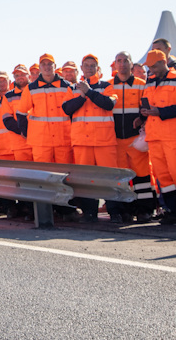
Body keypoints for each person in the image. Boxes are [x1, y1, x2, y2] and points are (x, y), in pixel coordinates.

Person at [62, 54, 118, 222]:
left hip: (104, 140)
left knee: (109, 177)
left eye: (92, 65)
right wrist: (82, 96)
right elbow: (67, 108)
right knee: (86, 179)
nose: (89, 68)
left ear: (97, 68)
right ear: (81, 68)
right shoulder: (73, 88)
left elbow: (108, 104)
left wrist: (89, 92)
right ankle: (89, 213)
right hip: (82, 141)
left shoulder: (106, 86)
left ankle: (115, 212)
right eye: (86, 65)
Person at [109, 51, 154, 223]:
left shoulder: (142, 85)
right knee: (121, 178)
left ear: (131, 63)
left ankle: (145, 211)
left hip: (135, 139)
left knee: (142, 177)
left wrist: (141, 118)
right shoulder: (108, 86)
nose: (122, 64)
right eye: (119, 61)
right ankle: (125, 210)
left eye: (125, 60)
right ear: (115, 64)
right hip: (116, 140)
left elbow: (147, 107)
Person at [138, 50, 176, 225]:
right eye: (150, 67)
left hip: (171, 136)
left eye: (154, 66)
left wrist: (160, 111)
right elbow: (146, 103)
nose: (151, 70)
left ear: (164, 62)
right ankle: (172, 211)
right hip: (154, 136)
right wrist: (143, 115)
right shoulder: (150, 81)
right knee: (163, 176)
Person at [17, 54, 76, 164]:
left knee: (64, 172)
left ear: (55, 66)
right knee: (41, 172)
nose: (47, 67)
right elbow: (21, 112)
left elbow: (75, 112)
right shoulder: (31, 88)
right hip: (40, 142)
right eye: (43, 64)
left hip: (63, 139)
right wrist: (27, 132)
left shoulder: (67, 86)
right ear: (40, 67)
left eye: (49, 64)